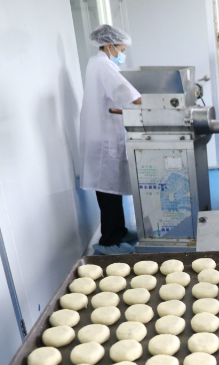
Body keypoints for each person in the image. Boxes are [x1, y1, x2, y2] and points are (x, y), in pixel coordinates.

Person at [79, 24, 142, 255]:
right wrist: (154, 104)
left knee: (112, 189)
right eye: (121, 49)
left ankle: (120, 231)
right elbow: (125, 92)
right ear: (109, 45)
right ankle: (109, 241)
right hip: (103, 139)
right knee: (108, 192)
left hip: (104, 135)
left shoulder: (97, 63)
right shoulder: (104, 66)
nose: (122, 54)